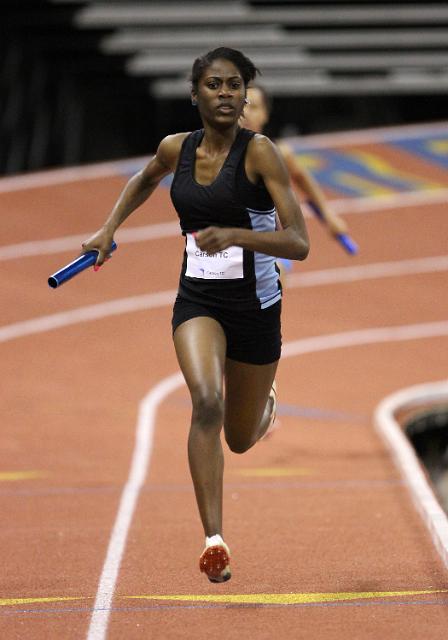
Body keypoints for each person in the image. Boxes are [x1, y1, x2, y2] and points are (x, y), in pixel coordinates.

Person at [81, 47, 309, 584]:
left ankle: (262, 407)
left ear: (245, 95)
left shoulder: (261, 154)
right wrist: (108, 228)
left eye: (235, 85)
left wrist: (236, 234)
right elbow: (144, 179)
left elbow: (298, 242)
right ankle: (214, 539)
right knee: (205, 399)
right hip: (199, 301)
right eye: (215, 85)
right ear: (195, 94)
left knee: (240, 437)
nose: (227, 94)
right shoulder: (175, 149)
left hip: (256, 308)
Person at [240, 84, 347, 277]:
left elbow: (301, 178)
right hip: (229, 246)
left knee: (269, 285)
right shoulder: (216, 154)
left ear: (265, 114)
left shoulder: (279, 153)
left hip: (269, 246)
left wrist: (328, 214)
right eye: (241, 106)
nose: (246, 113)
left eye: (253, 107)